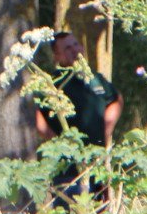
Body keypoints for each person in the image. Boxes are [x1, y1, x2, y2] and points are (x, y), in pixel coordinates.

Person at [31, 30, 122, 204]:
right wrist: (54, 139)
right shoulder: (51, 83)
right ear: (56, 56)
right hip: (68, 169)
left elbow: (116, 99)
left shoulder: (94, 78)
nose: (74, 50)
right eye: (67, 48)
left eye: (76, 44)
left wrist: (107, 127)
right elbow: (34, 114)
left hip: (97, 163)